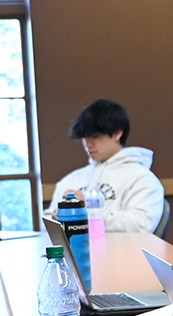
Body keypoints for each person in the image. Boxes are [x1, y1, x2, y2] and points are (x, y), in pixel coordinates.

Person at [46, 99, 166, 233]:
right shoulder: (71, 180)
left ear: (117, 134)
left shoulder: (142, 179)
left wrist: (87, 212)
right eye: (85, 138)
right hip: (75, 251)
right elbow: (47, 222)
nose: (88, 144)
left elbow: (142, 225)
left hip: (124, 252)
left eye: (96, 136)